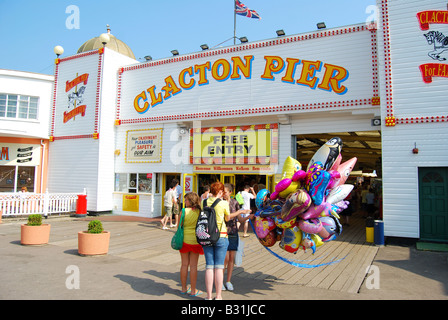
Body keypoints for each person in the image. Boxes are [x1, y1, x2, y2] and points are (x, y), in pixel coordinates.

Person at [201, 181, 230, 300]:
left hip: (207, 236)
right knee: (219, 267)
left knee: (209, 266)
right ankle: (218, 296)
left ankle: (208, 296)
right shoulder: (223, 203)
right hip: (221, 236)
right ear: (220, 191)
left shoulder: (204, 202)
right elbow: (227, 218)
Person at [222, 183, 252, 291]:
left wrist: (249, 216)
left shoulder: (235, 202)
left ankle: (228, 281)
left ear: (230, 192)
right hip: (223, 233)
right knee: (224, 259)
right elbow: (226, 217)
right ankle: (220, 281)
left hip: (233, 232)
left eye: (225, 191)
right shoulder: (220, 203)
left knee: (231, 259)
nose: (223, 194)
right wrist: (240, 212)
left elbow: (240, 219)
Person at [179, 192, 204, 297]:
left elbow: (179, 226)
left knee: (184, 265)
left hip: (184, 240)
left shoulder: (183, 211)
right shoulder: (199, 212)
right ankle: (193, 290)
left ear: (190, 201)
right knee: (194, 266)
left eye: (186, 200)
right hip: (195, 241)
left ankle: (184, 288)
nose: (184, 202)